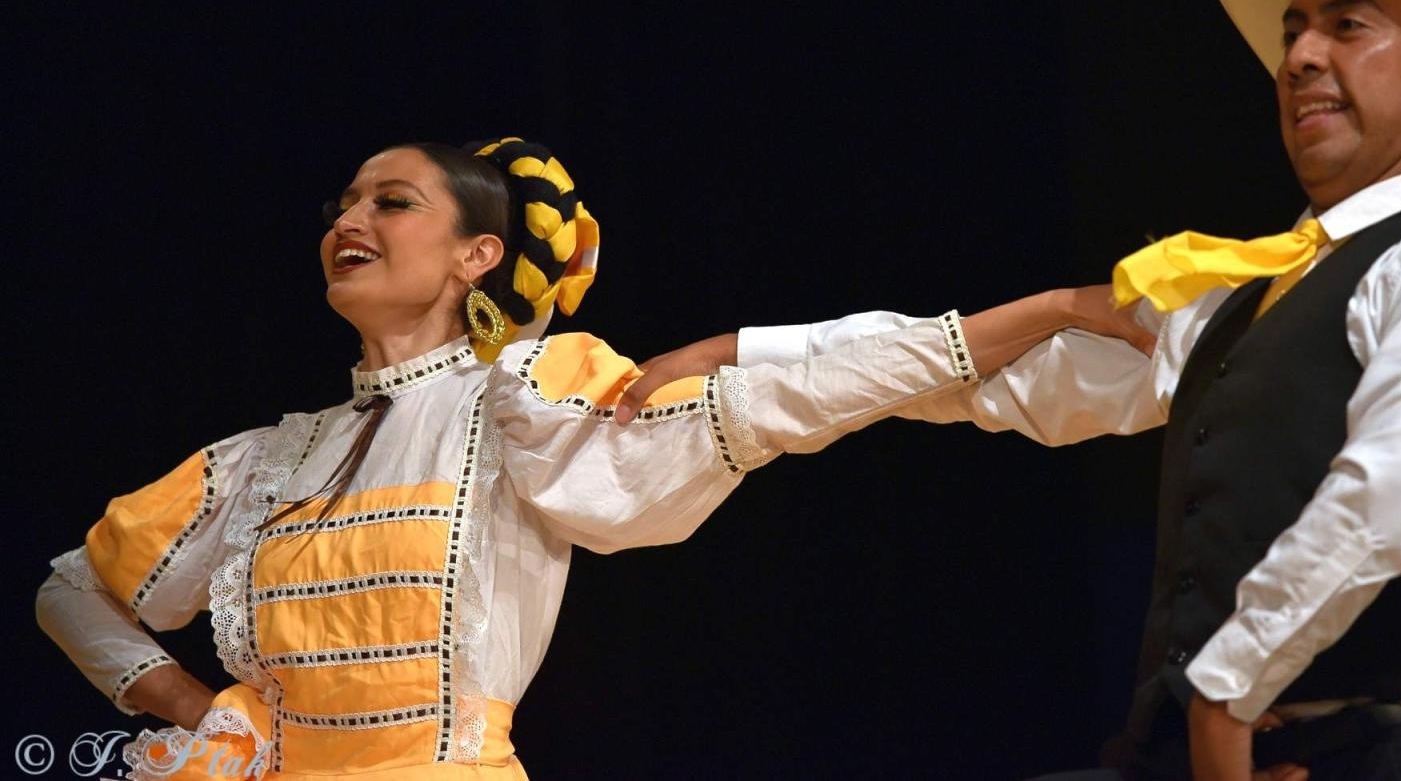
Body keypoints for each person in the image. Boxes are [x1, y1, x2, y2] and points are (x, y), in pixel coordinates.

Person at [618, 0, 1401, 780]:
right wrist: (744, 351)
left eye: (1347, 26)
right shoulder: (1243, 294)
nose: (1297, 58)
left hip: (1396, 744)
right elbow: (989, 378)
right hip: (1203, 747)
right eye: (1293, 34)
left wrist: (1223, 693)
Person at [35, 136, 1151, 781]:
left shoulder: (517, 396)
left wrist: (1044, 307)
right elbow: (72, 592)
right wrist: (196, 708)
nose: (348, 220)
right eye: (341, 205)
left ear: (478, 254)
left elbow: (788, 394)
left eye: (390, 201)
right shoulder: (268, 460)